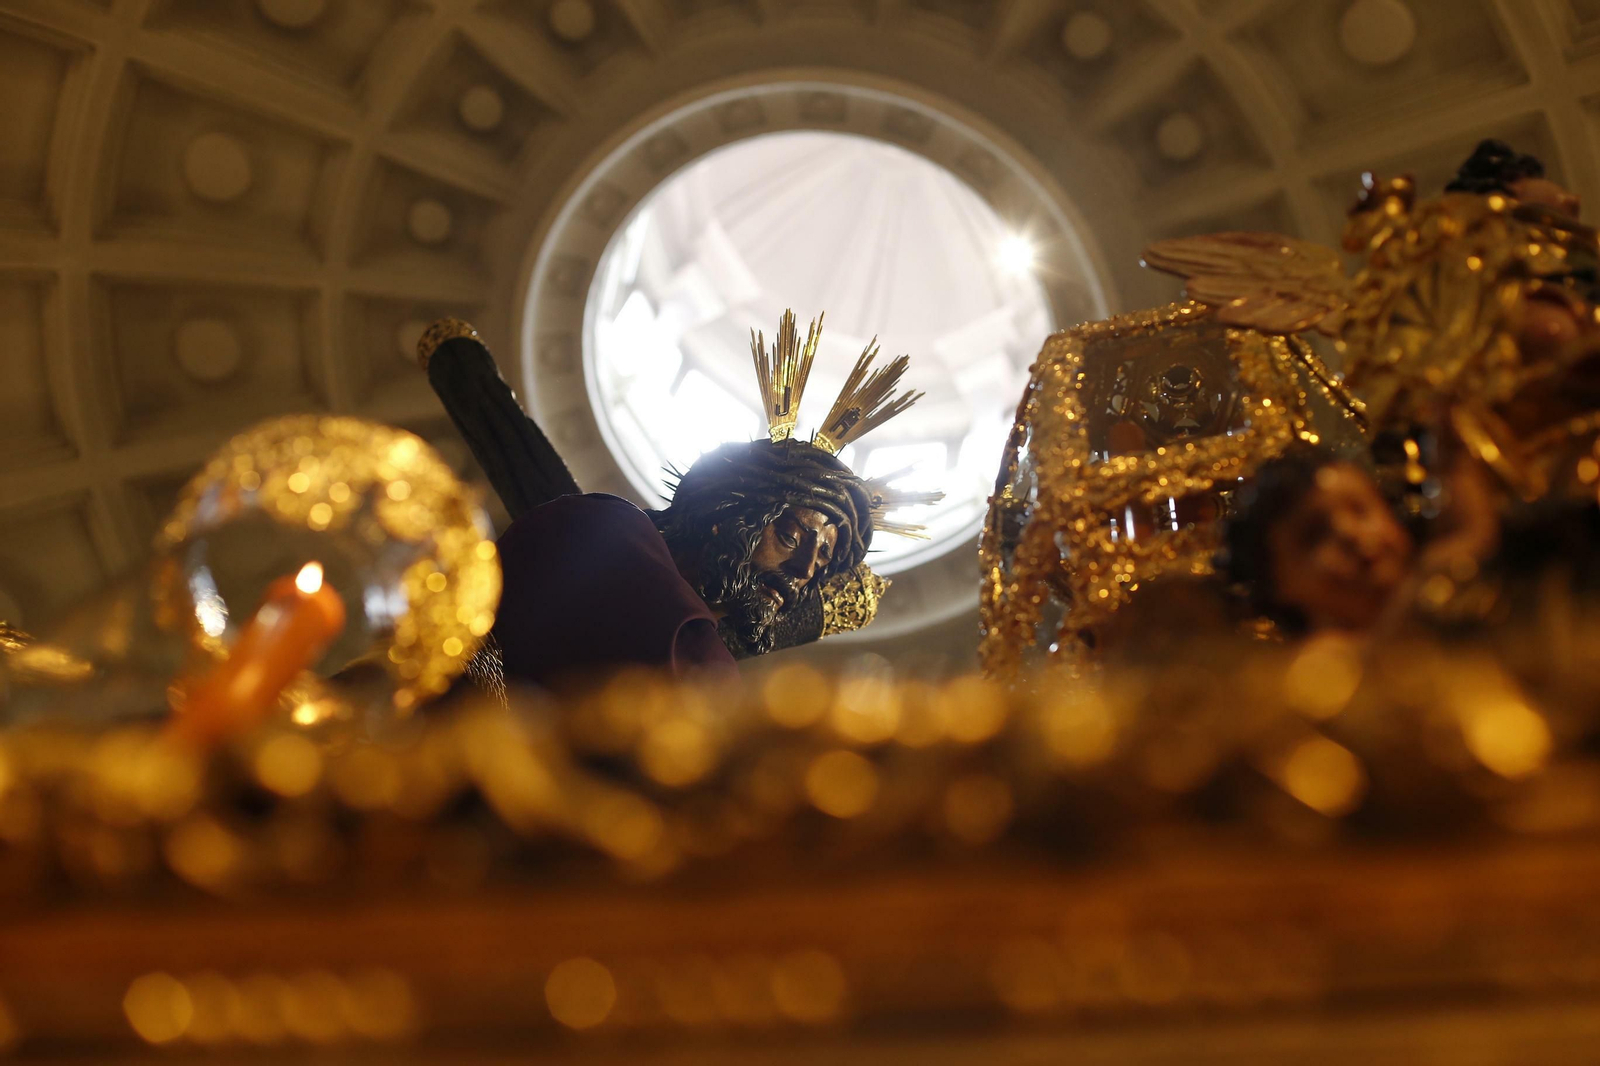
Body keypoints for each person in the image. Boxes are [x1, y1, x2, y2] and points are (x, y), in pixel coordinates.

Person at [419, 314, 936, 693]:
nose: (802, 573)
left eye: (820, 565)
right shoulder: (605, 530)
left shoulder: (711, 667)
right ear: (731, 514)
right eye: (791, 537)